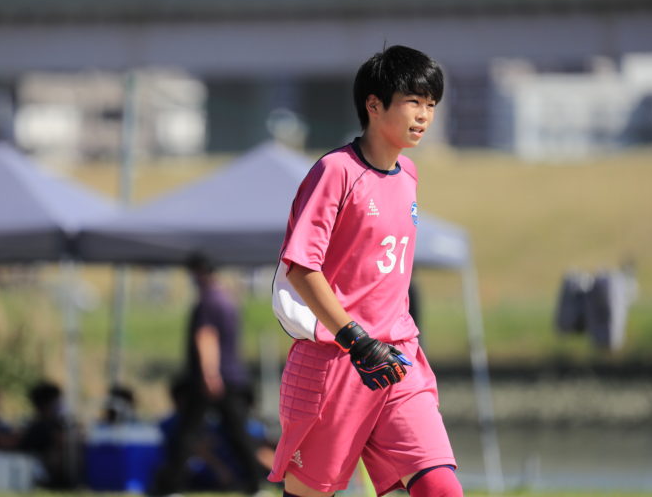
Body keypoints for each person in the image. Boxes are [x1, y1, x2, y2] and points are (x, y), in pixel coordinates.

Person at [270, 45, 462, 497]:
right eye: (413, 102)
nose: (424, 115)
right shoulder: (335, 171)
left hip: (398, 361)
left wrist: (380, 345)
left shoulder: (409, 174)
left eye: (431, 104)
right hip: (336, 362)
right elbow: (301, 267)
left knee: (442, 488)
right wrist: (356, 340)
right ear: (374, 105)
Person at [152, 253, 263, 495]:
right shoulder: (227, 299)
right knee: (237, 433)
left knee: (188, 433)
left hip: (211, 378)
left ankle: (171, 487)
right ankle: (255, 484)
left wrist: (210, 374)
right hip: (231, 376)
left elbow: (206, 337)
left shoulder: (208, 302)